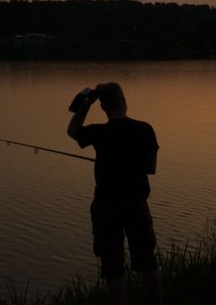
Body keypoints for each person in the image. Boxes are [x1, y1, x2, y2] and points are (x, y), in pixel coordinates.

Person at [67, 82, 163, 305]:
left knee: (113, 267)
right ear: (124, 101)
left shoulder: (99, 133)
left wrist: (86, 105)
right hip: (136, 204)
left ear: (103, 108)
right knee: (147, 261)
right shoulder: (145, 129)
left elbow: (72, 131)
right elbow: (151, 169)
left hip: (106, 206)